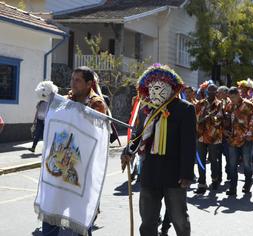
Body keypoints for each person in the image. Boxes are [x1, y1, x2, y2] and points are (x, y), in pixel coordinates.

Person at [121, 64, 196, 236]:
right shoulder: (145, 110)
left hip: (175, 174)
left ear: (171, 87)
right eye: (151, 88)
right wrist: (128, 151)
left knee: (179, 220)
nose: (154, 91)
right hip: (150, 172)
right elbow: (137, 136)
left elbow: (189, 144)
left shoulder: (185, 109)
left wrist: (186, 174)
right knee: (148, 221)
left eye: (159, 87)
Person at [41, 66, 107, 236]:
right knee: (52, 207)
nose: (73, 83)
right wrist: (50, 100)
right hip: (59, 166)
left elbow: (93, 135)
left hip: (82, 169)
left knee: (80, 215)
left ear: (89, 84)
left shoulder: (97, 104)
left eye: (77, 80)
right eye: (72, 79)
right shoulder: (65, 100)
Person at [224, 87, 253, 195]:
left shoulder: (248, 105)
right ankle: (233, 188)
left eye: (233, 97)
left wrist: (250, 133)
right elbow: (226, 119)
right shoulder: (229, 105)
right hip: (233, 139)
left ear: (238, 95)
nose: (231, 99)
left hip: (246, 139)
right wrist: (225, 130)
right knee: (232, 165)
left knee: (247, 164)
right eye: (230, 97)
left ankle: (247, 184)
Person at [195, 84, 224, 194]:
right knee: (200, 160)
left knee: (213, 160)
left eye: (213, 91)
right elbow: (196, 119)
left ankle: (214, 179)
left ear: (216, 92)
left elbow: (219, 120)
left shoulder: (219, 104)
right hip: (201, 136)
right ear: (206, 91)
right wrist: (203, 116)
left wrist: (211, 117)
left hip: (214, 136)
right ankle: (202, 183)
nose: (211, 93)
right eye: (209, 91)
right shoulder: (200, 103)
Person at [217, 85, 231, 181]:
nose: (218, 94)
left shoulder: (231, 103)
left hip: (228, 135)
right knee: (217, 158)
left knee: (229, 156)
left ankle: (229, 173)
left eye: (221, 92)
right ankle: (218, 176)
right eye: (218, 92)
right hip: (217, 134)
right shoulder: (216, 103)